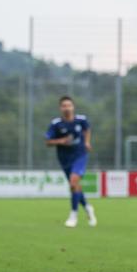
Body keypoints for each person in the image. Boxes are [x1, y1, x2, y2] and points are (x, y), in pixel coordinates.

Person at [45, 96, 97, 228]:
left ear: (73, 107)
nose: (67, 108)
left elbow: (87, 129)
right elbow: (48, 142)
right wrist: (61, 141)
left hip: (80, 156)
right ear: (60, 108)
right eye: (64, 105)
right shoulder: (56, 124)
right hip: (64, 159)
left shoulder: (81, 120)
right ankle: (88, 207)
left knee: (74, 181)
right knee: (75, 186)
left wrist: (86, 142)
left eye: (69, 105)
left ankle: (73, 215)